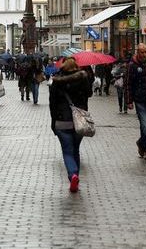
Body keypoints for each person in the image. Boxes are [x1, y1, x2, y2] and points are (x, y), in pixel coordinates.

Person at [49, 57, 92, 192]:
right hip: (79, 120)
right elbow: (89, 94)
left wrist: (53, 122)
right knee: (75, 150)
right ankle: (75, 176)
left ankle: (72, 174)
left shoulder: (56, 80)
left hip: (62, 120)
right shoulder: (83, 78)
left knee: (67, 151)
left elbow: (52, 103)